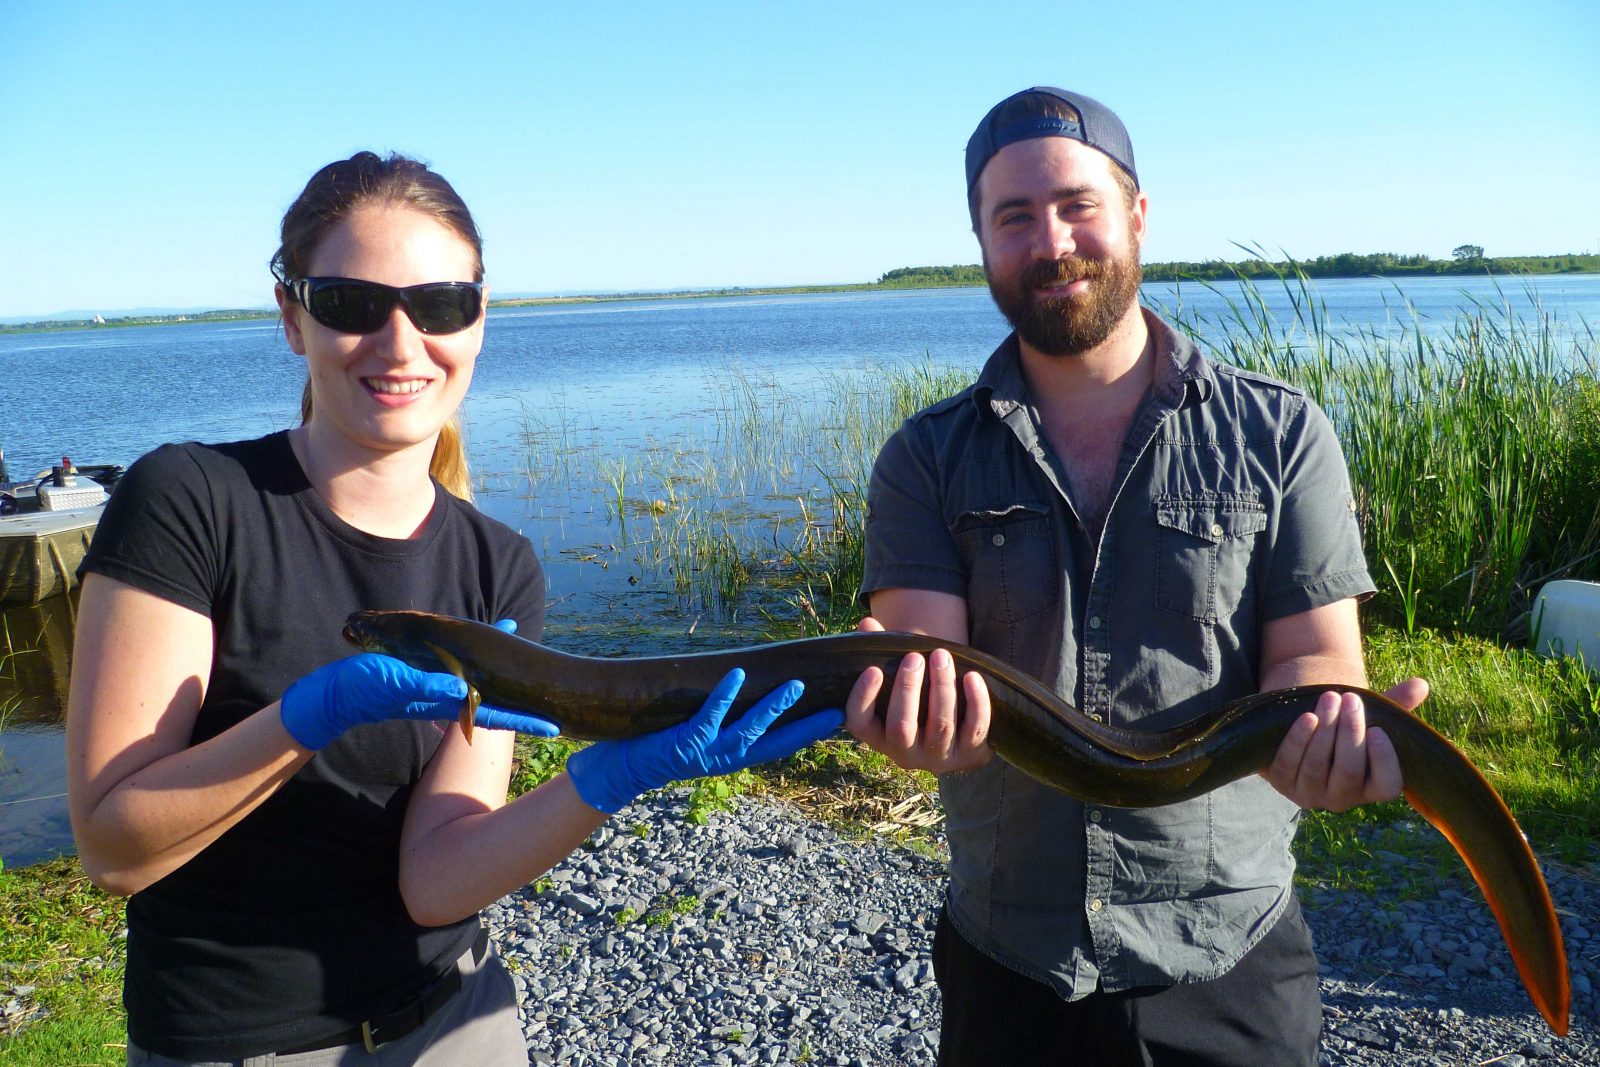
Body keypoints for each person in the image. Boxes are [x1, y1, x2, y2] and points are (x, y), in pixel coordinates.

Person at [66, 151, 842, 1066]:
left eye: (438, 304)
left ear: (478, 321)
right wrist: (307, 718)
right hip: (240, 1042)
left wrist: (604, 780)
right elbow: (114, 851)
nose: (401, 343)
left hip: (456, 1021)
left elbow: (436, 881)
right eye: (352, 303)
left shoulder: (497, 564)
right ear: (292, 317)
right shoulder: (191, 500)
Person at [842, 88, 1431, 1066]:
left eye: (1077, 204)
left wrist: (1319, 731)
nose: (1051, 240)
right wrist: (918, 726)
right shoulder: (925, 458)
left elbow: (1318, 655)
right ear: (981, 240)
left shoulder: (1279, 433)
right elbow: (928, 663)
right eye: (1014, 216)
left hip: (1229, 956)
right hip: (1011, 960)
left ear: (1136, 215)